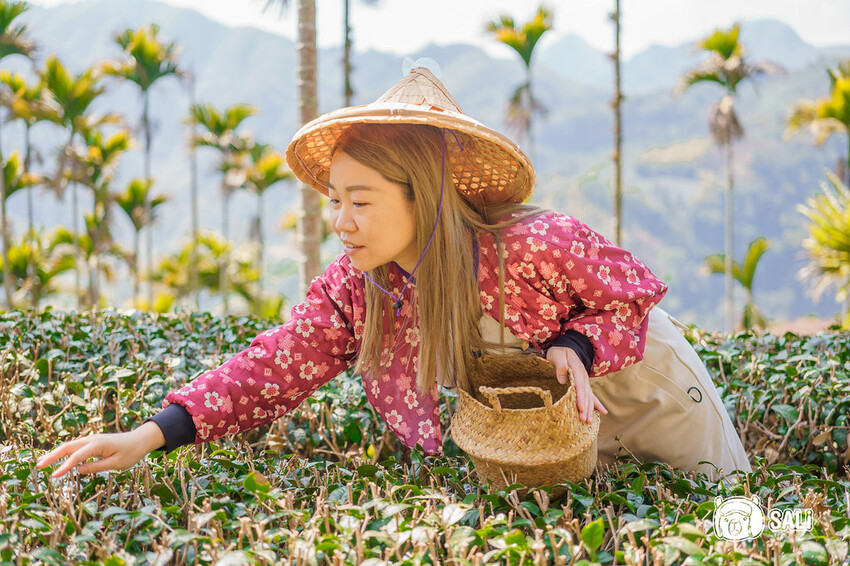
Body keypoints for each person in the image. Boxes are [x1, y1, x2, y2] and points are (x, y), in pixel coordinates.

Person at [36, 64, 751, 482]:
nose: (340, 221)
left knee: (726, 525)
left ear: (422, 198)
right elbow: (273, 365)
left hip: (648, 396)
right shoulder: (361, 288)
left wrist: (578, 344)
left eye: (361, 201)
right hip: (555, 439)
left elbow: (632, 296)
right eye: (334, 201)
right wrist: (150, 435)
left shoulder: (535, 243)